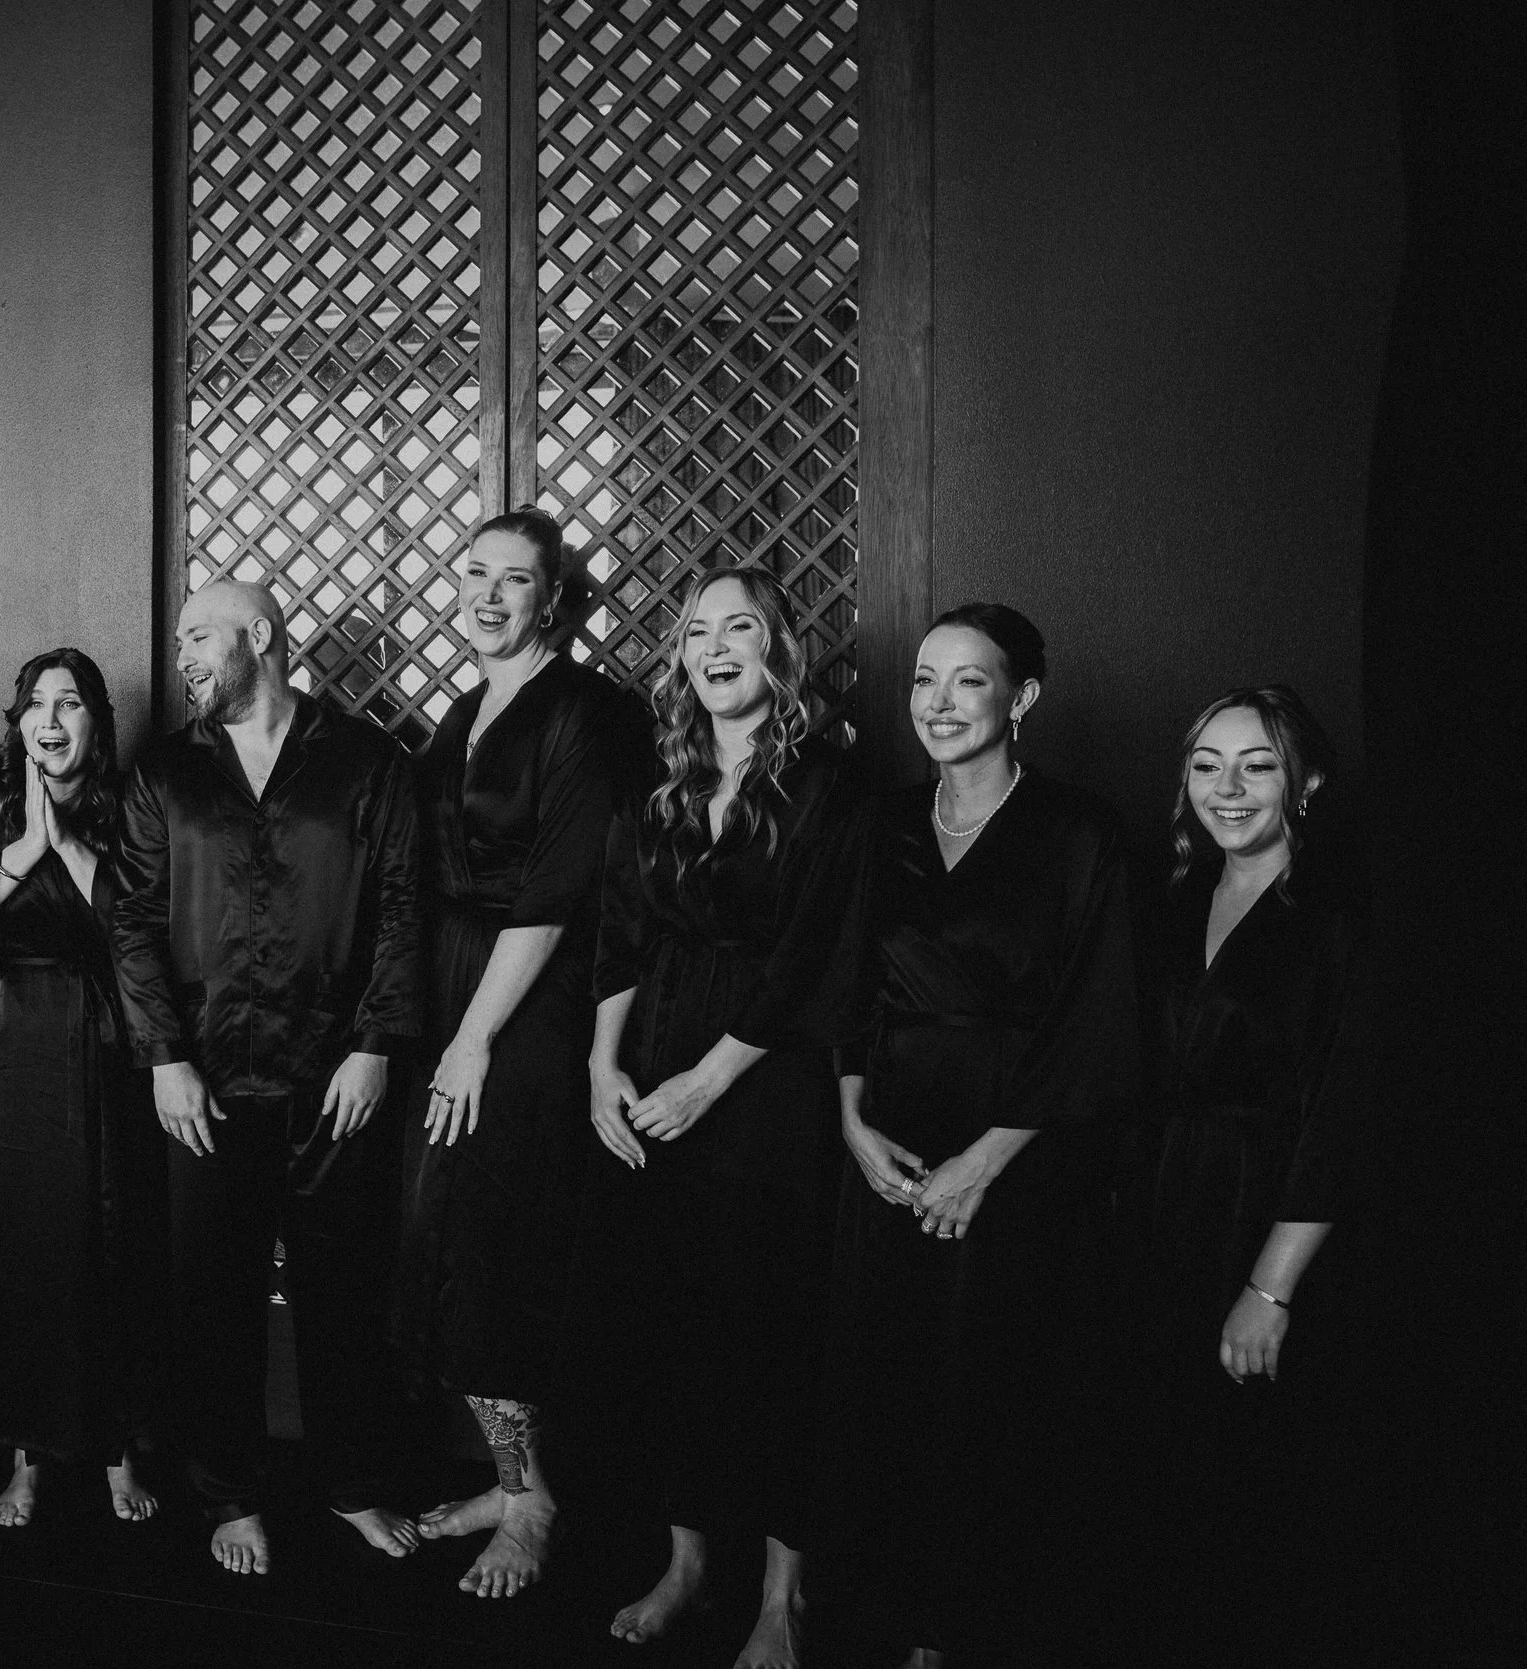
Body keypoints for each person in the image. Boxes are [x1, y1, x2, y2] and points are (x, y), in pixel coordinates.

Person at [814, 603, 1139, 1667]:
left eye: (968, 682)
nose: (939, 705)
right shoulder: (882, 824)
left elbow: (1099, 1017)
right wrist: (854, 1117)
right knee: (888, 1386)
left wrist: (983, 1164)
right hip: (893, 1137)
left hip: (1016, 1148)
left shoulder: (1080, 832)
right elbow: (845, 985)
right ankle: (893, 1616)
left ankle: (961, 1634)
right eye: (923, 681)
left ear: (1021, 698)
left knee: (989, 1395)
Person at [586, 567, 872, 1662]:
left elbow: (815, 957)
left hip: (766, 1085)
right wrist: (603, 1067)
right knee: (670, 1324)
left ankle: (779, 1596)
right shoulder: (660, 780)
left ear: (778, 653)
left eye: (739, 627)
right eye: (697, 630)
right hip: (651, 1068)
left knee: (770, 1331)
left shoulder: (831, 788)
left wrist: (709, 1080)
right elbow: (619, 927)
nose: (715, 646)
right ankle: (689, 1562)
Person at [112, 580, 424, 1577]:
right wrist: (163, 1059)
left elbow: (401, 911)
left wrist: (376, 1044)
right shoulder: (162, 773)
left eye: (200, 635)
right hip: (204, 1080)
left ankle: (353, 1484)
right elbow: (129, 923)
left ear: (262, 635)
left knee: (347, 1292)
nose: (184, 656)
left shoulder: (369, 762)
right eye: (178, 642)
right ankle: (230, 1495)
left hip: (337, 1077)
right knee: (213, 1300)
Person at [393, 508, 649, 1599]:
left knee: (505, 1252)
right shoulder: (462, 708)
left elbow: (560, 887)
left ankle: (534, 1501)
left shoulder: (592, 710)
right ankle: (512, 1477)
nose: (488, 595)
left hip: (528, 1010)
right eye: (474, 574)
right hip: (457, 999)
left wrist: (473, 1038)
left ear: (557, 600)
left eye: (515, 580)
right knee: (451, 1249)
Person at [1134, 686, 1365, 1666]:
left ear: (1303, 781)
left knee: (1252, 1491)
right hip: (1159, 1214)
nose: (1227, 788)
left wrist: (1269, 1286)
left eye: (1256, 765)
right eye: (1206, 765)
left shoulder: (1335, 921)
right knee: (1160, 1482)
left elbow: (1342, 1120)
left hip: (1267, 1224)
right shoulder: (1173, 900)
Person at [0, 648, 160, 1529]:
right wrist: (22, 851)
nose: (51, 720)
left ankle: (116, 1446)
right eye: (36, 704)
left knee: (107, 1235)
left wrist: (72, 848)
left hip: (100, 1037)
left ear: (99, 720)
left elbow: (147, 932)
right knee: (9, 1244)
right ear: (16, 717)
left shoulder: (133, 800)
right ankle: (24, 1454)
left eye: (71, 704)